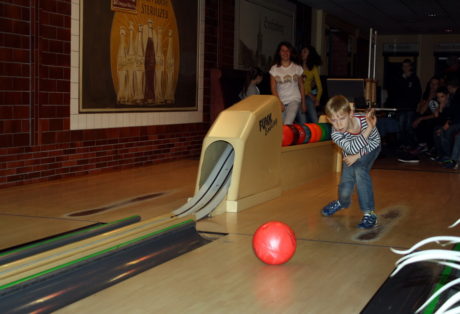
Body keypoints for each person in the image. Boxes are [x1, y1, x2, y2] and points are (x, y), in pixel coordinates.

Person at [321, 95, 381, 229]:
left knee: (360, 171)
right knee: (345, 187)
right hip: (350, 154)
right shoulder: (335, 134)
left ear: (351, 114)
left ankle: (369, 213)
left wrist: (358, 155)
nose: (338, 124)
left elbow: (376, 142)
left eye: (342, 119)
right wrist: (369, 130)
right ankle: (341, 202)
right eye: (333, 120)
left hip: (371, 149)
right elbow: (351, 149)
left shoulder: (365, 121)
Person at [386, 59, 422, 149]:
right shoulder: (398, 78)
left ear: (410, 67)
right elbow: (394, 92)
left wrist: (415, 104)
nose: (405, 68)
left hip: (410, 108)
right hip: (400, 107)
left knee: (409, 127)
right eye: (403, 66)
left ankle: (410, 145)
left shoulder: (414, 78)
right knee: (400, 127)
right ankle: (401, 145)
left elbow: (418, 93)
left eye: (407, 66)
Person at [269, 41, 305, 125]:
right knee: (281, 126)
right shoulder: (274, 69)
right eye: (283, 50)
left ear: (290, 52)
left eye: (287, 50)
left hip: (294, 99)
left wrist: (303, 103)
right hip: (281, 101)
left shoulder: (297, 67)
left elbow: (301, 86)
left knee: (287, 123)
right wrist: (279, 102)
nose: (285, 53)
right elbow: (273, 88)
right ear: (279, 53)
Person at [297, 45, 323, 123]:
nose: (302, 53)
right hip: (297, 96)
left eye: (305, 52)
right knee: (303, 121)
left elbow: (320, 87)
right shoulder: (296, 67)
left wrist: (317, 99)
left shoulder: (313, 68)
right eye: (301, 52)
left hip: (307, 96)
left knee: (314, 119)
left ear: (310, 54)